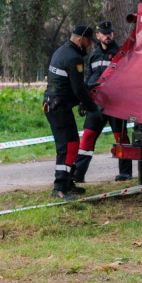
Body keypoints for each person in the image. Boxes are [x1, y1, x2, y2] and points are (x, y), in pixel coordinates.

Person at [71, 21, 133, 184]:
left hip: (115, 104)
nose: (107, 36)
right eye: (104, 33)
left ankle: (125, 173)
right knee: (87, 138)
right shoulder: (93, 55)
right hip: (95, 105)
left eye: (110, 33)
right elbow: (88, 78)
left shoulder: (121, 53)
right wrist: (85, 101)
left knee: (121, 138)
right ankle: (78, 175)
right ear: (97, 36)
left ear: (113, 34)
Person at [43, 25, 98, 200]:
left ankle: (67, 183)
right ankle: (59, 188)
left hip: (57, 106)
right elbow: (78, 89)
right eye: (88, 41)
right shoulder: (74, 57)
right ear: (80, 39)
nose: (89, 45)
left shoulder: (62, 50)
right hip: (59, 109)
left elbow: (68, 84)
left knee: (73, 144)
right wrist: (92, 108)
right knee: (67, 148)